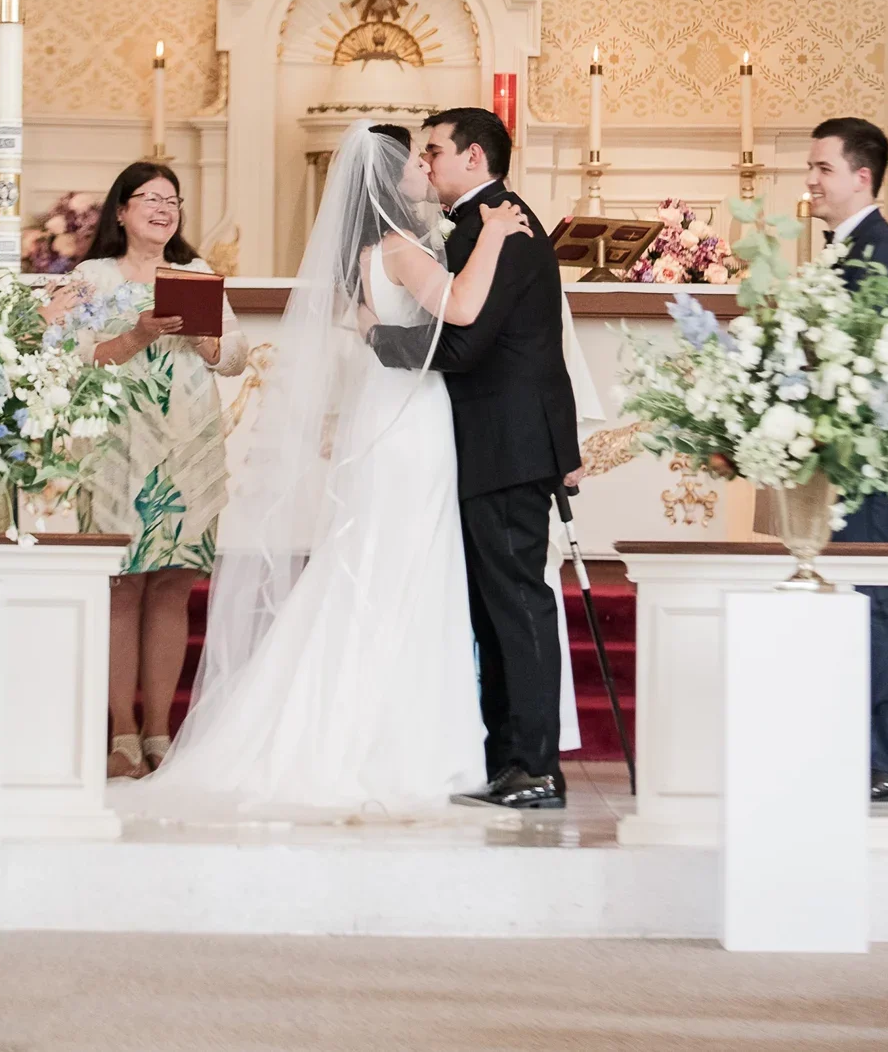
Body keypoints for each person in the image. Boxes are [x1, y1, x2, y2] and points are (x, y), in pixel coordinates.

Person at [128, 122, 533, 823]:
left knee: (374, 567)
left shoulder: (367, 255)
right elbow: (462, 309)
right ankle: (400, 745)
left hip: (385, 415)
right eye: (414, 160)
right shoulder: (404, 250)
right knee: (406, 570)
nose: (422, 169)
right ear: (387, 180)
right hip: (414, 422)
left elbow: (375, 330)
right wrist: (494, 235)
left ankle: (353, 729)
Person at [365, 107, 582, 813]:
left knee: (516, 605)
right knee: (495, 610)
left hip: (508, 445)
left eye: (435, 150)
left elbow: (460, 345)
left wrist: (379, 340)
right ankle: (506, 761)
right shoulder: (473, 225)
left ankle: (534, 767)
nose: (425, 162)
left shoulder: (503, 225)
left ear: (475, 157)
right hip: (493, 443)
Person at [50, 162, 247, 780]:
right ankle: (122, 733)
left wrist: (209, 341)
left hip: (188, 445)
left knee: (173, 582)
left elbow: (236, 355)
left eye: (173, 200)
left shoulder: (195, 276)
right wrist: (135, 336)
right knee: (122, 582)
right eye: (150, 199)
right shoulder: (91, 277)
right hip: (116, 448)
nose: (164, 209)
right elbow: (60, 350)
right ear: (121, 211)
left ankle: (160, 731)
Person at [806, 116, 888, 804]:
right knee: (855, 603)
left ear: (862, 177)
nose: (811, 180)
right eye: (812, 167)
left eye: (823, 168)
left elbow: (878, 366)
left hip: (872, 458)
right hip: (843, 456)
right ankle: (868, 752)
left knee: (875, 603)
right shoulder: (845, 250)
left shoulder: (885, 251)